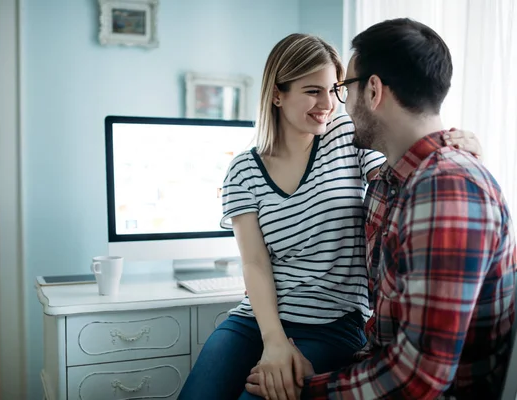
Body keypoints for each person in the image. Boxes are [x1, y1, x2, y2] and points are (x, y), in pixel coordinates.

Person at [178, 33, 481, 400]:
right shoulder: (243, 171)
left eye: (333, 89)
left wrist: (457, 144)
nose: (328, 103)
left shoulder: (346, 136)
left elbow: (401, 170)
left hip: (333, 325)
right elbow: (255, 264)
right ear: (277, 94)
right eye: (312, 91)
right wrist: (273, 341)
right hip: (257, 321)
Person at [245, 18, 516, 400]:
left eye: (343, 89)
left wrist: (307, 390)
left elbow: (417, 381)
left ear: (372, 90)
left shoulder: (448, 189)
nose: (337, 106)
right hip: (371, 368)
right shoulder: (387, 184)